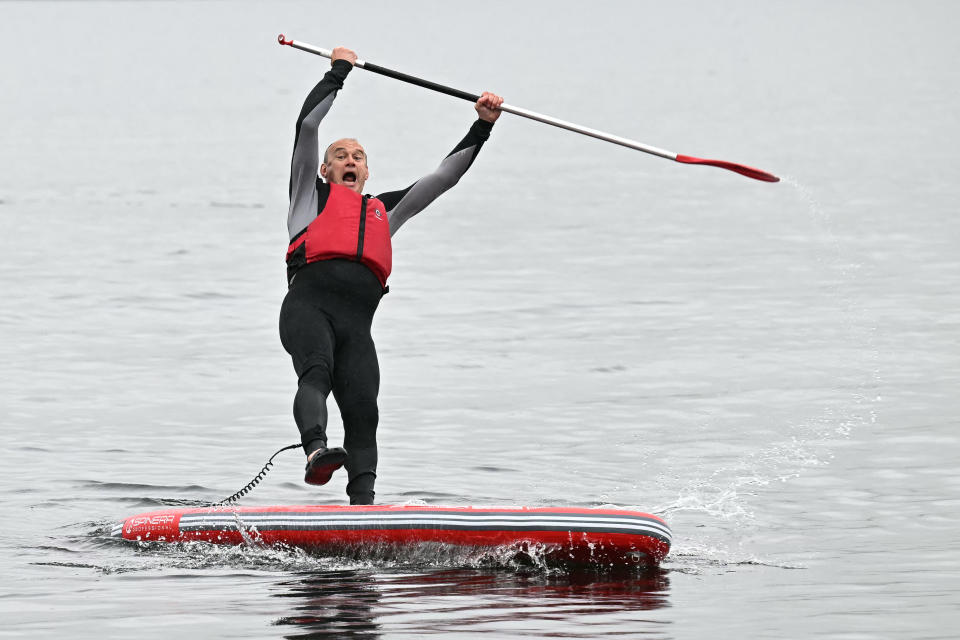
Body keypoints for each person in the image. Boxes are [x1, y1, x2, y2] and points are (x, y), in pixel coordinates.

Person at [279, 46, 503, 505]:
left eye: (358, 156)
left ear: (366, 170)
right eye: (340, 155)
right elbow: (307, 127)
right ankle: (316, 451)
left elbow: (445, 176)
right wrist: (338, 71)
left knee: (364, 414)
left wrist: (482, 124)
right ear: (325, 169)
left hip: (358, 327)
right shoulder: (308, 195)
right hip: (308, 309)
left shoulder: (385, 211)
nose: (349, 160)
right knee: (316, 374)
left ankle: (364, 509)